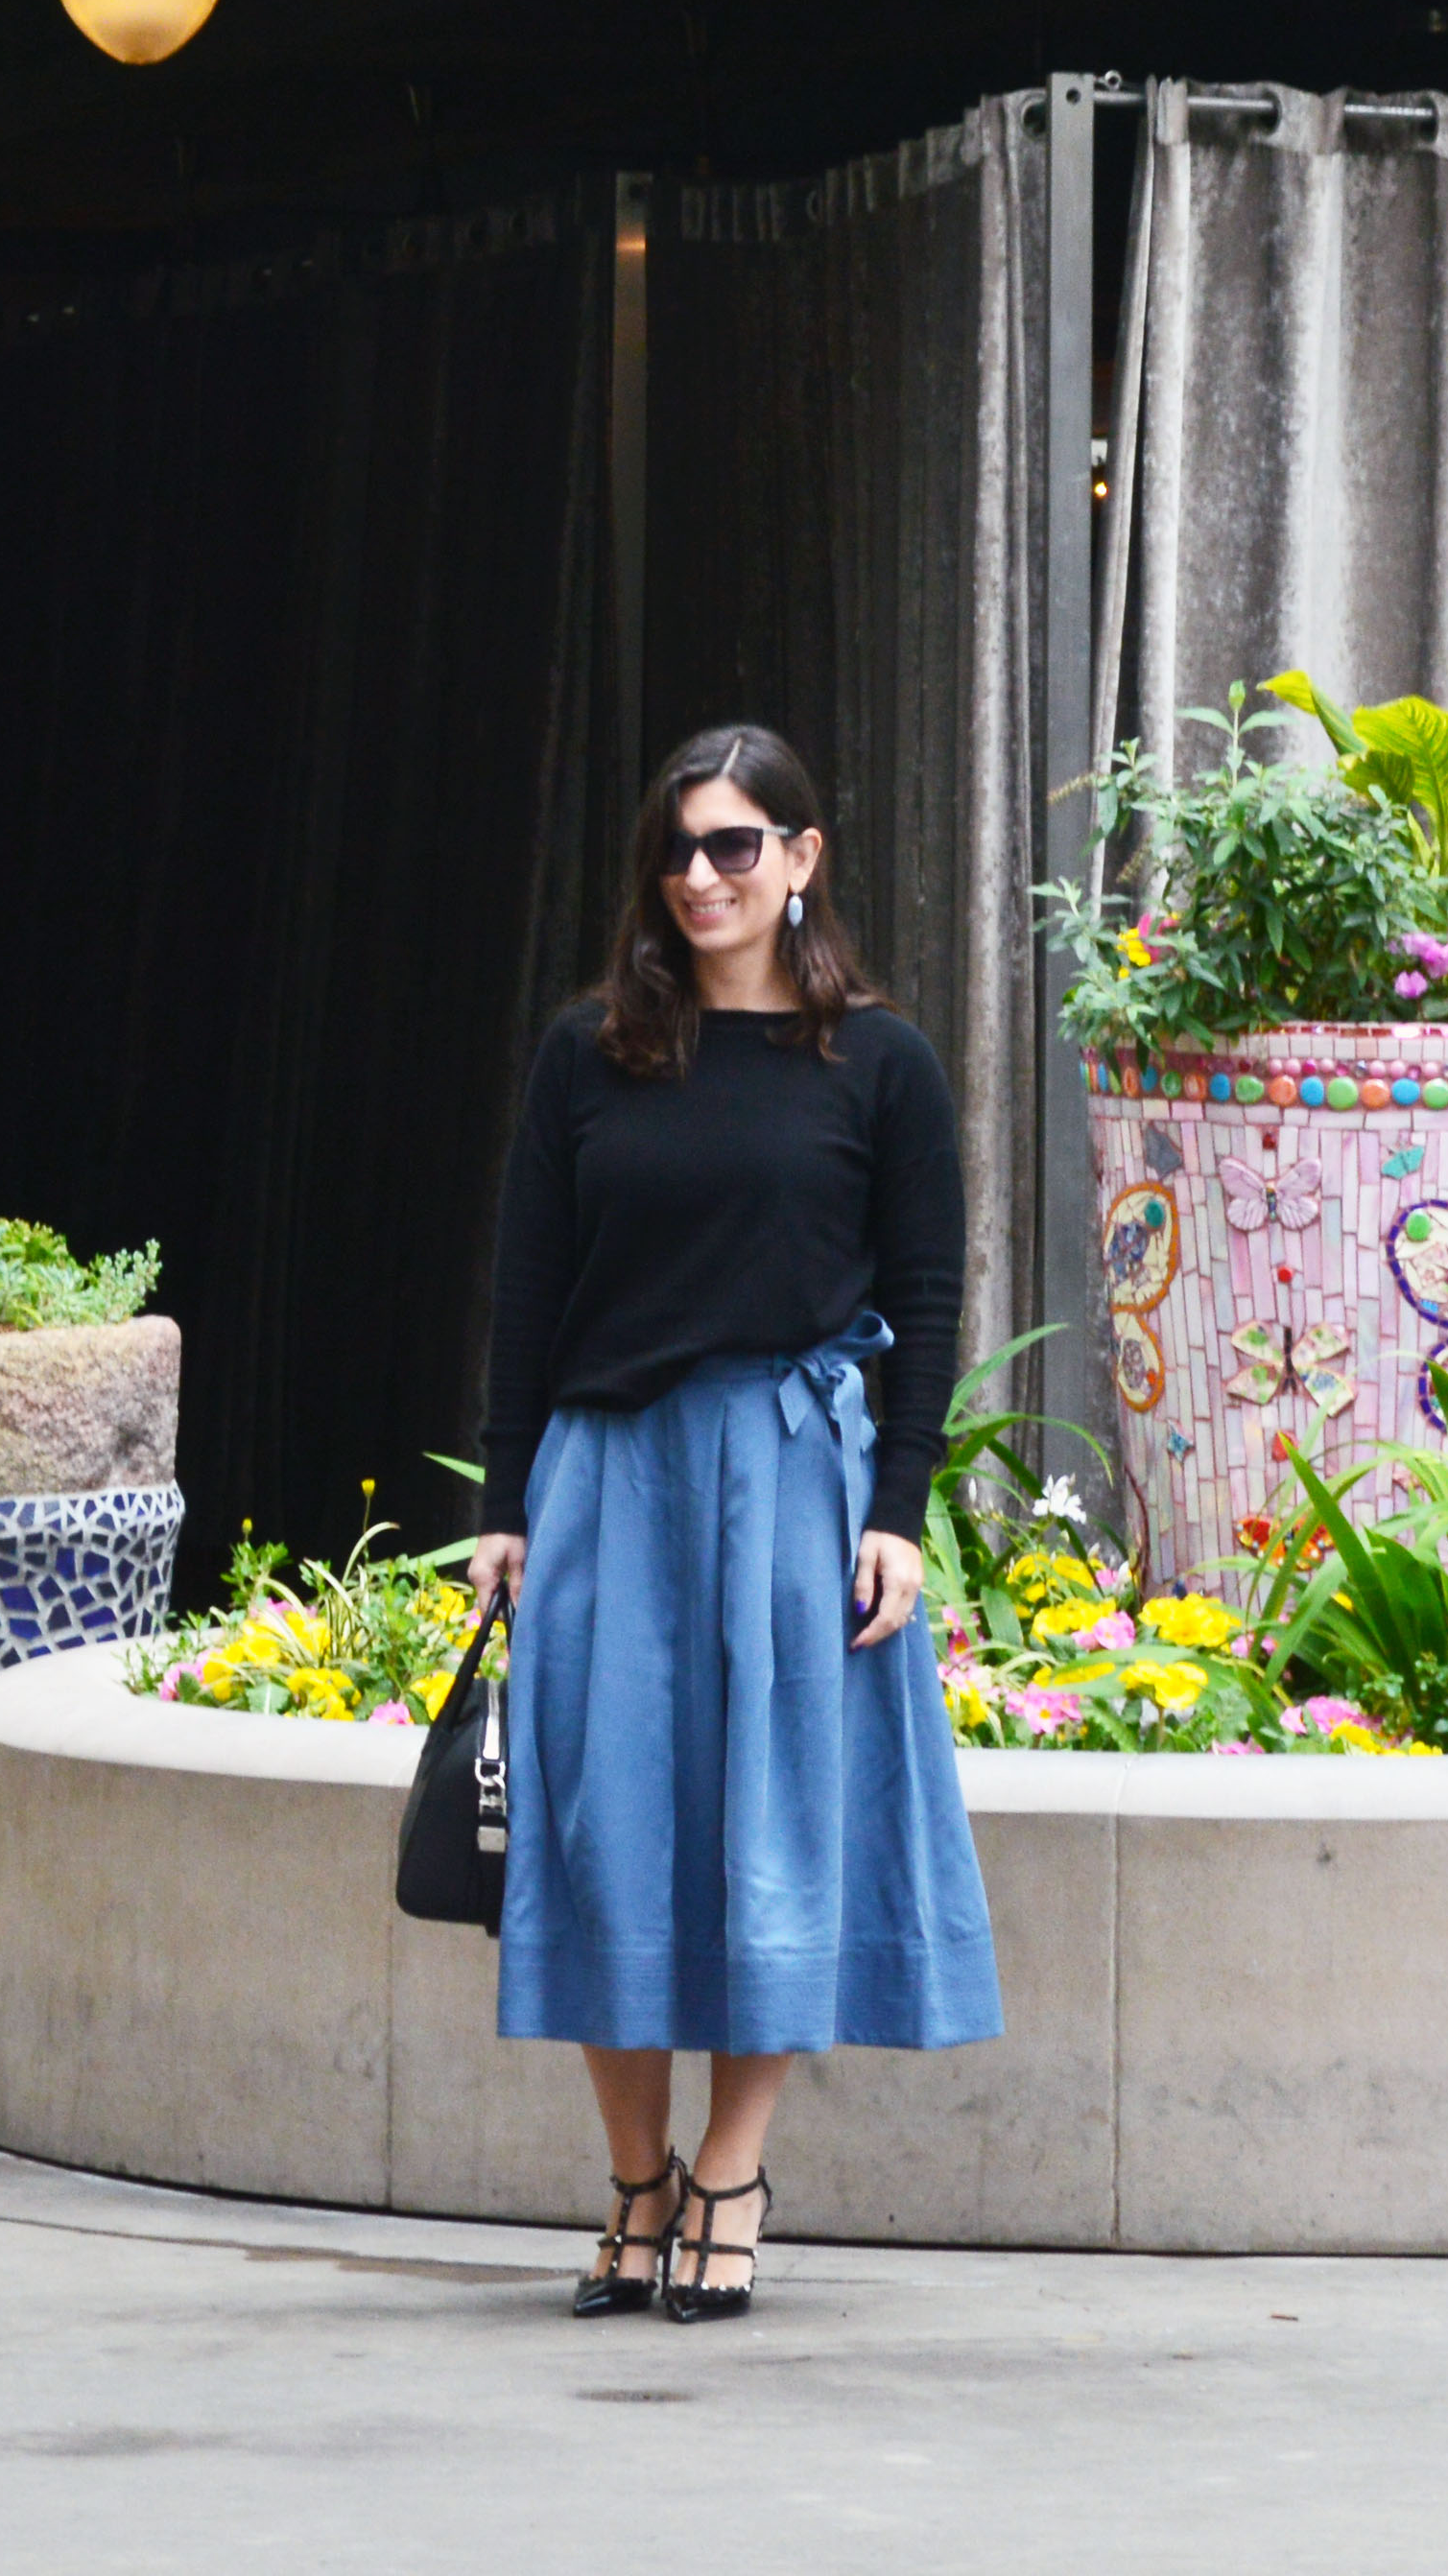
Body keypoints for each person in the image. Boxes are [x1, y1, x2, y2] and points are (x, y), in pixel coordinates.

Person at [473, 721, 1003, 2326]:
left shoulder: (880, 1064)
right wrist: (505, 1503)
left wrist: (898, 1511)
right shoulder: (589, 1055)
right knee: (604, 1831)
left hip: (785, 1475)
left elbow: (927, 1295)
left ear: (801, 858)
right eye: (678, 849)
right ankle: (634, 2181)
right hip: (607, 1479)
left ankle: (730, 2174)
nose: (701, 876)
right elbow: (526, 1285)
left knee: (773, 1826)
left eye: (734, 845)